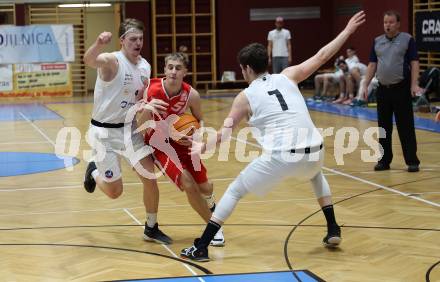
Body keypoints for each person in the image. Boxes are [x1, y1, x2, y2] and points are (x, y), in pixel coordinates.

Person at [180, 11, 366, 262]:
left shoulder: (245, 97)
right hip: (316, 150)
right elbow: (323, 56)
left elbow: (224, 134)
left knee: (234, 191)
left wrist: (201, 147)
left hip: (284, 156)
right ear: (266, 61)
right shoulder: (289, 74)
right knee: (315, 172)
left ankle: (202, 246)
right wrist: (347, 31)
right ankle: (333, 227)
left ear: (246, 69)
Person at [82, 18, 172, 245]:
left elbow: (139, 99)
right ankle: (93, 170)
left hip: (129, 130)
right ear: (122, 41)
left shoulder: (145, 66)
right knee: (115, 192)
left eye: (141, 38)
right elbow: (90, 60)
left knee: (150, 178)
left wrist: (146, 106)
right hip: (104, 133)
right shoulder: (112, 61)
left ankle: (151, 228)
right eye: (133, 39)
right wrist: (99, 43)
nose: (138, 42)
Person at [141, 52, 225, 246]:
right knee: (188, 183)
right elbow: (138, 122)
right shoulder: (151, 89)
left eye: (178, 68)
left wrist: (196, 136)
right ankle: (214, 228)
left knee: (206, 187)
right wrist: (148, 110)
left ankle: (210, 202)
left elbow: (200, 119)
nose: (173, 71)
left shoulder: (191, 95)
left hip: (182, 144)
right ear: (164, 70)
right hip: (160, 146)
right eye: (170, 67)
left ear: (185, 72)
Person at [361, 10, 422, 172]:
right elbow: (372, 65)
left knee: (405, 126)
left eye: (391, 22)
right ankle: (384, 160)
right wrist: (365, 84)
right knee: (383, 127)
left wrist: (414, 85)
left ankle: (412, 161)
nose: (387, 25)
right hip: (383, 90)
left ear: (398, 24)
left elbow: (415, 63)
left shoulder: (407, 40)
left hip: (401, 89)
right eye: (385, 22)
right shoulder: (377, 41)